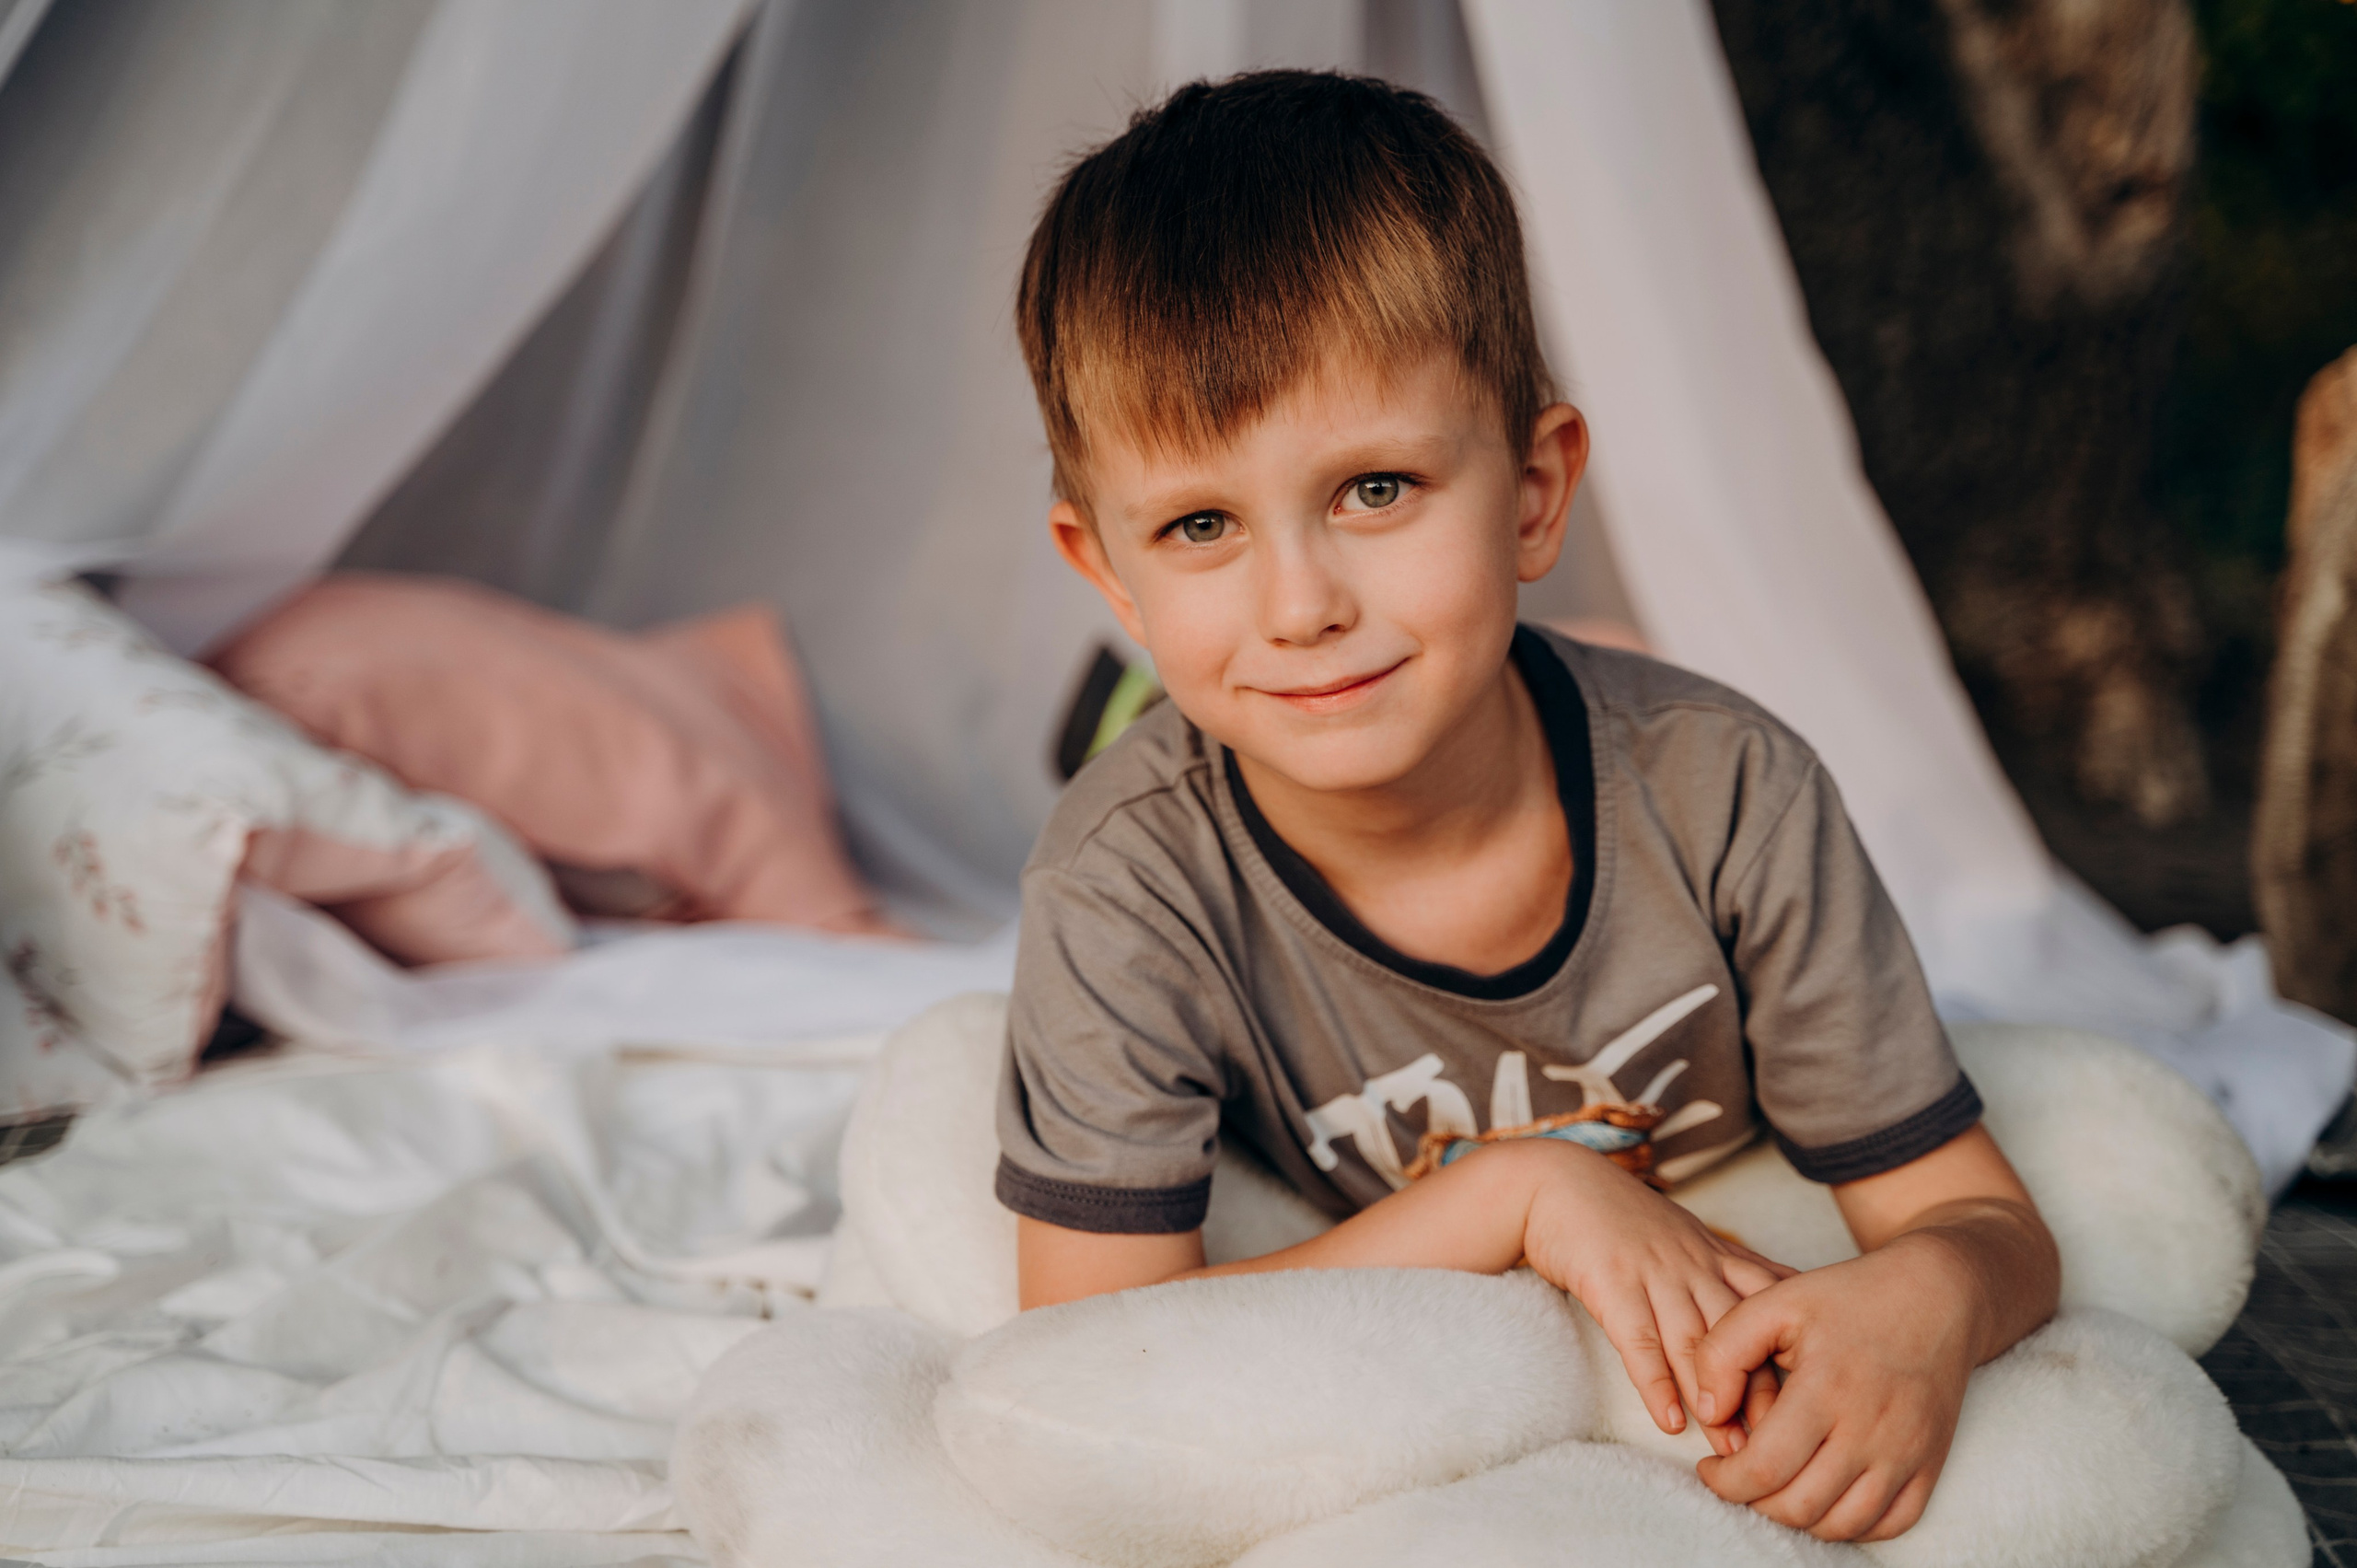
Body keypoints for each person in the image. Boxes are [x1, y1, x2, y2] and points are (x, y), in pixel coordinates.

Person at [995, 70, 2059, 1545]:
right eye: (1198, 526)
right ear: (1108, 571)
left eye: (1376, 489)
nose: (1300, 605)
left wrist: (1933, 1296)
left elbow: (1982, 1221)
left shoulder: (1730, 793)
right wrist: (1519, 1198)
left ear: (1536, 492)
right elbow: (1081, 1352)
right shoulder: (1125, 885)